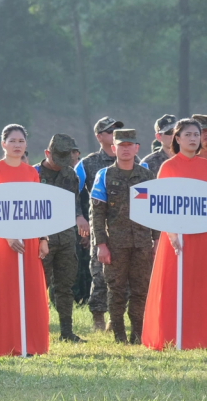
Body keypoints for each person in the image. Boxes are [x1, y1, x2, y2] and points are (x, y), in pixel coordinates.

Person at [0, 125, 50, 358]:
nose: (17, 145)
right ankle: (6, 344)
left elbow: (38, 208)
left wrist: (43, 238)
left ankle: (30, 344)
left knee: (29, 290)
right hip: (4, 240)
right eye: (12, 141)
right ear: (3, 144)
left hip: (30, 239)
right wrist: (8, 235)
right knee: (7, 291)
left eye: (21, 141)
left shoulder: (31, 172)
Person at [143, 118, 207, 349]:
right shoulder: (168, 167)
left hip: (202, 237)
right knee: (173, 285)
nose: (193, 138)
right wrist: (170, 234)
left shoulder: (205, 166)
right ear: (177, 139)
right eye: (187, 135)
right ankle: (171, 335)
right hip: (175, 238)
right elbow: (160, 205)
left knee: (200, 285)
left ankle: (199, 337)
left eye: (196, 135)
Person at [89, 129, 157, 344]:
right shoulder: (105, 175)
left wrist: (157, 240)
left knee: (141, 290)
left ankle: (138, 335)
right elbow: (96, 213)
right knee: (116, 290)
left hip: (143, 243)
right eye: (122, 145)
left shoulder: (146, 175)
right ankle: (119, 335)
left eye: (130, 145)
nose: (126, 149)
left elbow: (155, 211)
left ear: (137, 148)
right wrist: (100, 244)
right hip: (115, 244)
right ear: (113, 148)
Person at [34, 135, 85, 342]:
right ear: (47, 154)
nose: (61, 165)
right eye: (58, 159)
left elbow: (75, 203)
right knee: (39, 287)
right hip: (41, 240)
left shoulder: (70, 175)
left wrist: (79, 218)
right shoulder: (33, 174)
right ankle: (36, 330)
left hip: (65, 238)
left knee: (65, 287)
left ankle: (66, 332)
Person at [76, 116, 120, 331]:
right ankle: (98, 318)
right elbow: (71, 192)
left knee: (124, 275)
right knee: (99, 273)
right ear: (99, 136)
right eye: (110, 131)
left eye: (117, 130)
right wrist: (78, 216)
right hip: (100, 227)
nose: (114, 134)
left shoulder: (134, 160)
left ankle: (116, 317)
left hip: (126, 228)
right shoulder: (87, 163)